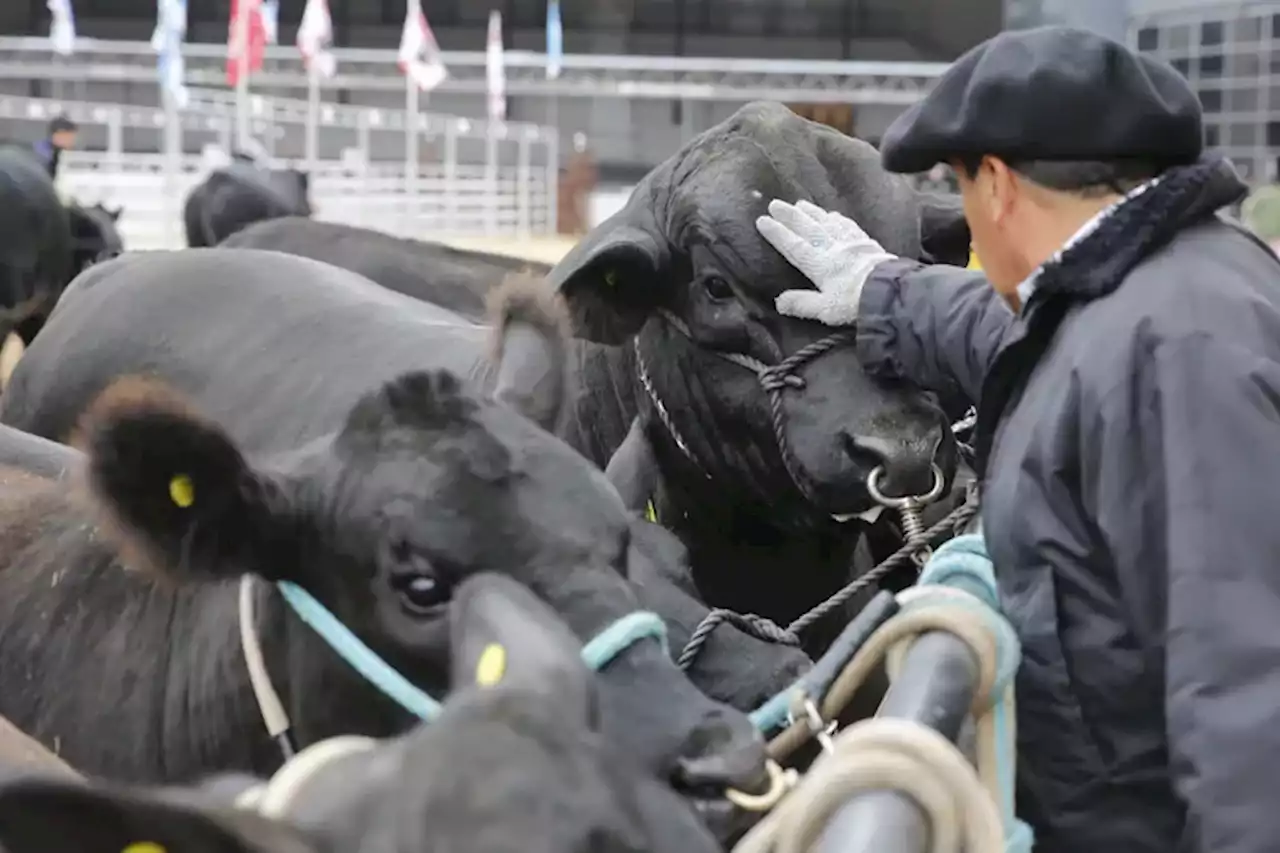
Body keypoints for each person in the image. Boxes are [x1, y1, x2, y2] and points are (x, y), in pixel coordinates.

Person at [755, 25, 1280, 853]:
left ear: (994, 185)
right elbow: (1035, 345)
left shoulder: (1183, 351)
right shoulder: (1166, 290)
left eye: (960, 188)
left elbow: (1248, 686)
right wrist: (884, 291)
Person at [31, 115, 77, 181]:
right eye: (68, 137)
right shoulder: (40, 152)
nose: (71, 141)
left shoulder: (66, 152)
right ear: (57, 134)